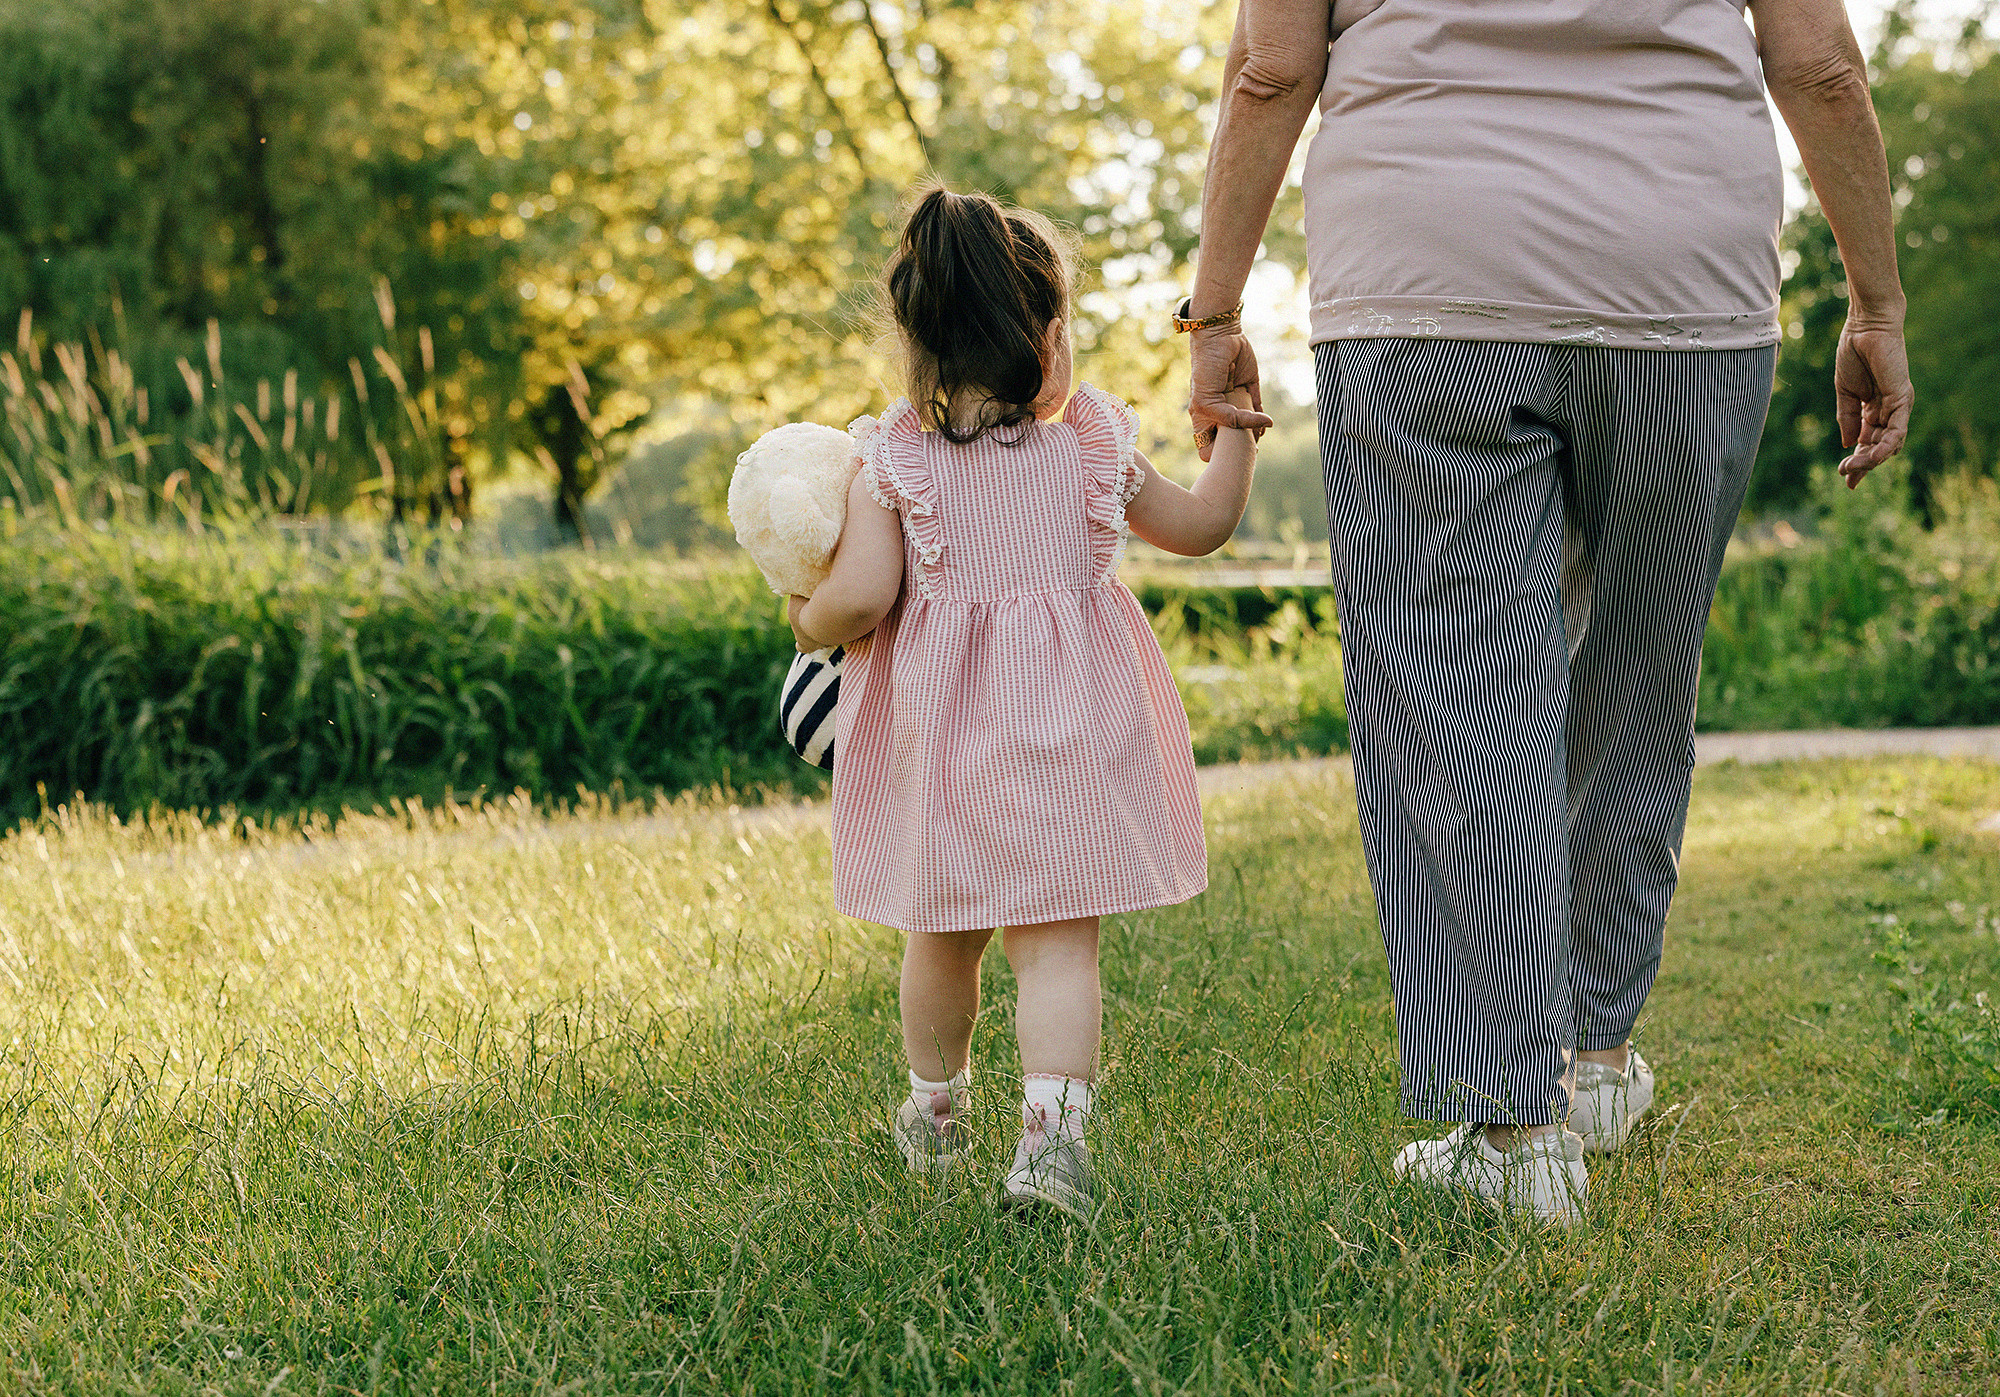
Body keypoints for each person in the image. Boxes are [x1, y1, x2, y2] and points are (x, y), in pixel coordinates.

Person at [1185, 0, 1914, 1223]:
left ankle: (1517, 1132)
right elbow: (1821, 67)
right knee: (1636, 675)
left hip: (1423, 282)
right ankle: (1587, 1064)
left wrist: (1212, 312)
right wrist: (1875, 304)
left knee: (1454, 699)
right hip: (1680, 285)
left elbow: (1269, 69)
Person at [788, 184, 1261, 1219]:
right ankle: (1050, 1147)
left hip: (942, 748)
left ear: (914, 344)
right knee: (1055, 944)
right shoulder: (1089, 447)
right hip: (1066, 739)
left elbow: (860, 596)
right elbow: (1202, 523)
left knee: (938, 931)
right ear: (1049, 342)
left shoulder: (891, 461)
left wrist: (802, 615)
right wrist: (1229, 425)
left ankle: (935, 1112)